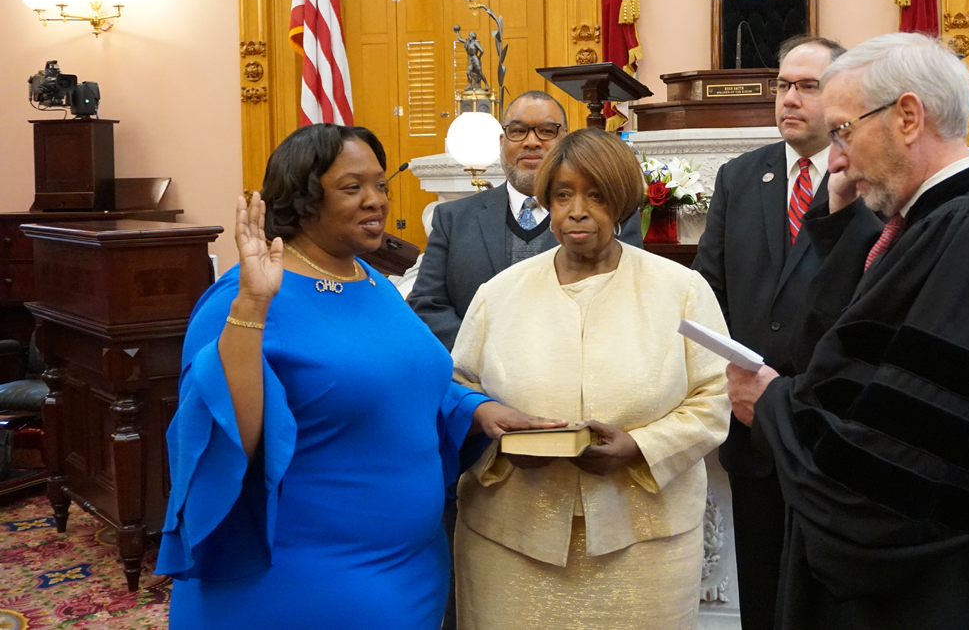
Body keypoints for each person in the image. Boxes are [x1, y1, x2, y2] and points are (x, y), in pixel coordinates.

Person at [726, 32, 969, 629]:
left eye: (842, 131)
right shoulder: (932, 227)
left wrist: (775, 407)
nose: (834, 159)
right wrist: (837, 227)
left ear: (907, 117)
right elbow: (841, 359)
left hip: (947, 596)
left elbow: (912, 460)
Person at [157, 124, 560, 630]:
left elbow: (405, 381)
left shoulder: (369, 279)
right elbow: (228, 436)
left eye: (380, 185)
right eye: (352, 188)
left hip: (411, 570)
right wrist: (253, 305)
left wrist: (476, 409)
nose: (376, 201)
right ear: (304, 199)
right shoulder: (247, 298)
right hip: (304, 582)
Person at [451, 129, 731, 630]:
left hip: (644, 541)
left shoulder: (682, 290)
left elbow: (715, 396)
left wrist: (641, 446)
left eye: (595, 195)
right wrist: (495, 431)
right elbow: (457, 390)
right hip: (512, 536)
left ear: (621, 202)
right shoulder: (498, 294)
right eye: (562, 195)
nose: (576, 210)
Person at [691, 33, 882, 630]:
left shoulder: (877, 182)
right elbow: (710, 288)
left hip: (835, 427)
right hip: (753, 428)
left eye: (807, 86)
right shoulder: (740, 177)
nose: (789, 99)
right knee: (765, 592)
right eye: (782, 85)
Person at [406, 90, 641, 350]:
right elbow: (426, 305)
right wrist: (483, 356)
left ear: (565, 140)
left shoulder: (608, 217)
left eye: (546, 131)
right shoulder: (453, 218)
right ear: (501, 142)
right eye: (518, 131)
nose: (531, 142)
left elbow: (624, 302)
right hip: (473, 379)